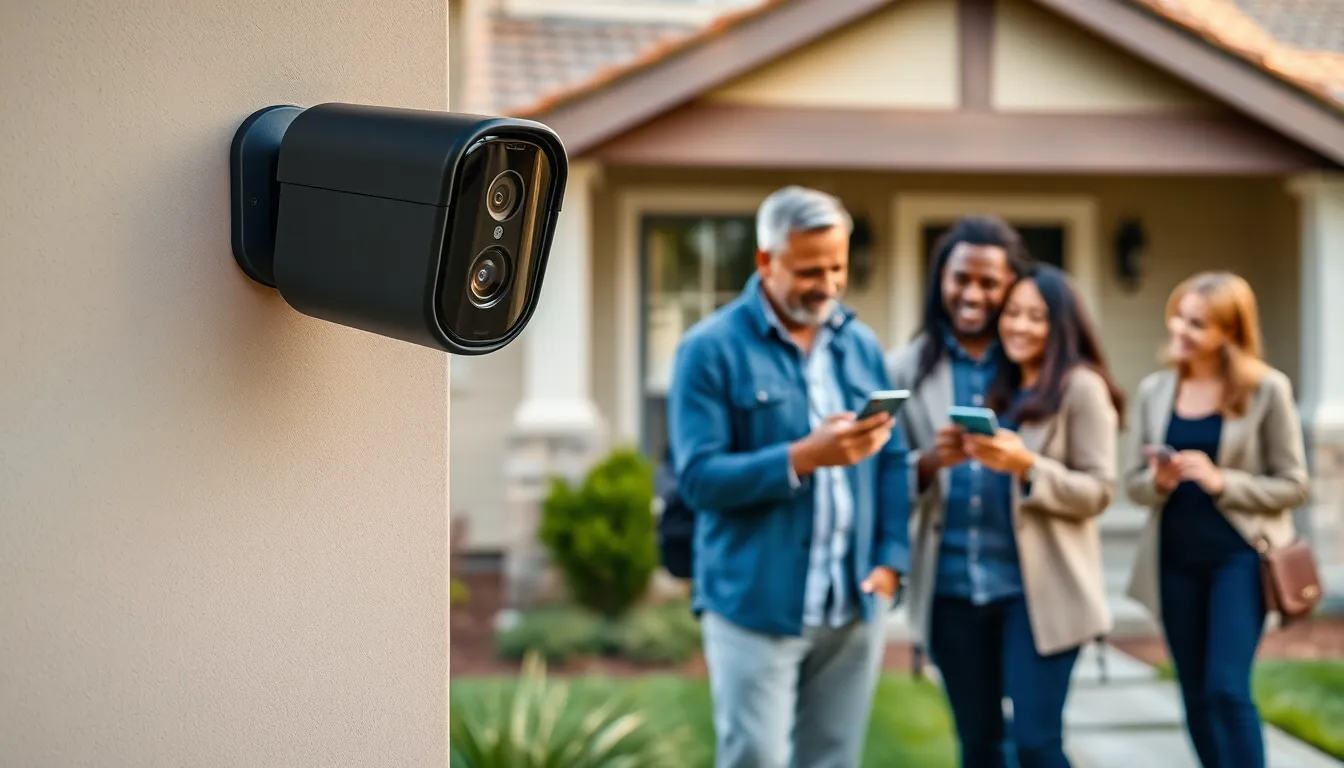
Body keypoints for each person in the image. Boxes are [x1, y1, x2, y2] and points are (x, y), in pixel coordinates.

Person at [667, 185, 910, 768]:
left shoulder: (860, 344)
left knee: (832, 759)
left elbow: (895, 459)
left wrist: (891, 563)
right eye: (809, 270)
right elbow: (699, 479)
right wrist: (802, 456)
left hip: (852, 604)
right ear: (765, 261)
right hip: (755, 607)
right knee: (756, 757)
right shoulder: (709, 349)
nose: (826, 284)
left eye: (837, 267)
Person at [1124, 271, 1309, 768]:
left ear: (1229, 332)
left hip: (1239, 558)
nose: (1180, 331)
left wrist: (1222, 480)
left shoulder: (1268, 390)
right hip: (1174, 560)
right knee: (1195, 696)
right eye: (1179, 317)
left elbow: (1294, 484)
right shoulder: (1155, 390)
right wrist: (1158, 482)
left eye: (1197, 324)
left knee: (1226, 689)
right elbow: (1133, 483)